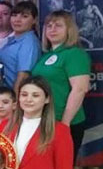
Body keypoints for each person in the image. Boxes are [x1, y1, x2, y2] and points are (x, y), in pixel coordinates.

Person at [30, 10, 91, 153]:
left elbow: (80, 89)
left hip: (64, 122)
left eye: (58, 25)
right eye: (49, 26)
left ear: (69, 29)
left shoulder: (75, 54)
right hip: (43, 121)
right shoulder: (46, 55)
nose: (52, 29)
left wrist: (65, 123)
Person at [1, 1, 41, 89]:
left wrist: (16, 97)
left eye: (24, 16)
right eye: (14, 15)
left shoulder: (28, 42)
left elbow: (23, 76)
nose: (17, 20)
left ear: (34, 20)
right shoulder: (14, 39)